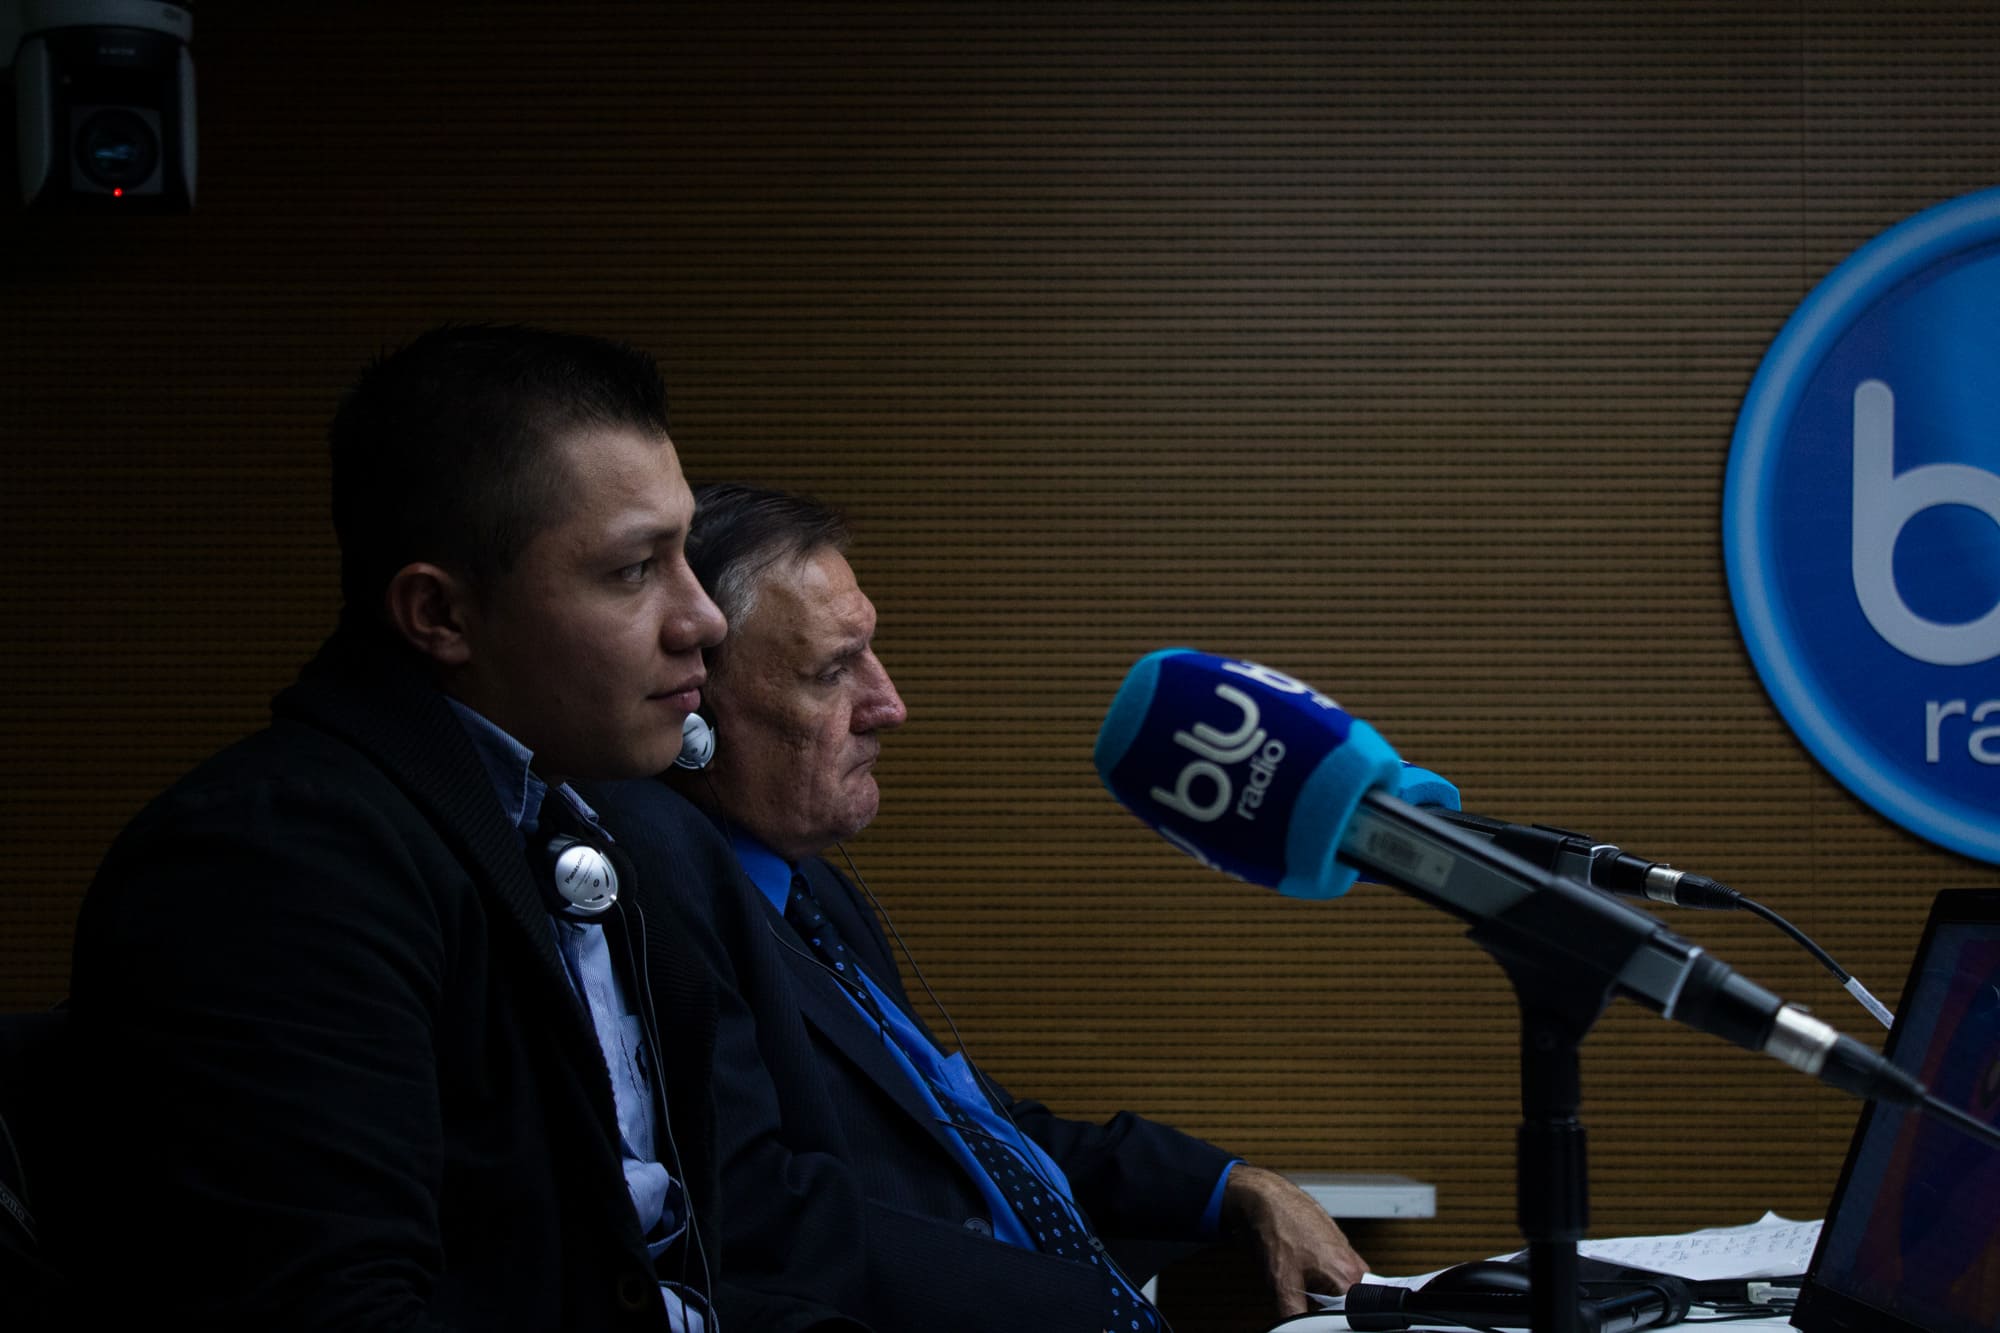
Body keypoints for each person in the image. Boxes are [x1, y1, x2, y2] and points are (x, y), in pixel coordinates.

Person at [65, 328, 847, 1332]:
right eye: (630, 571)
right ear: (439, 613)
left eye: (683, 558)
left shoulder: (581, 822)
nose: (700, 619)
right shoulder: (269, 864)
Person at [586, 483, 1370, 1333]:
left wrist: (1233, 1185)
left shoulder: (815, 897)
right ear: (694, 709)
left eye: (872, 654)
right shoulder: (664, 903)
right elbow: (761, 1220)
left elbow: (973, 1130)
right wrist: (1088, 1317)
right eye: (833, 670)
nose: (889, 706)